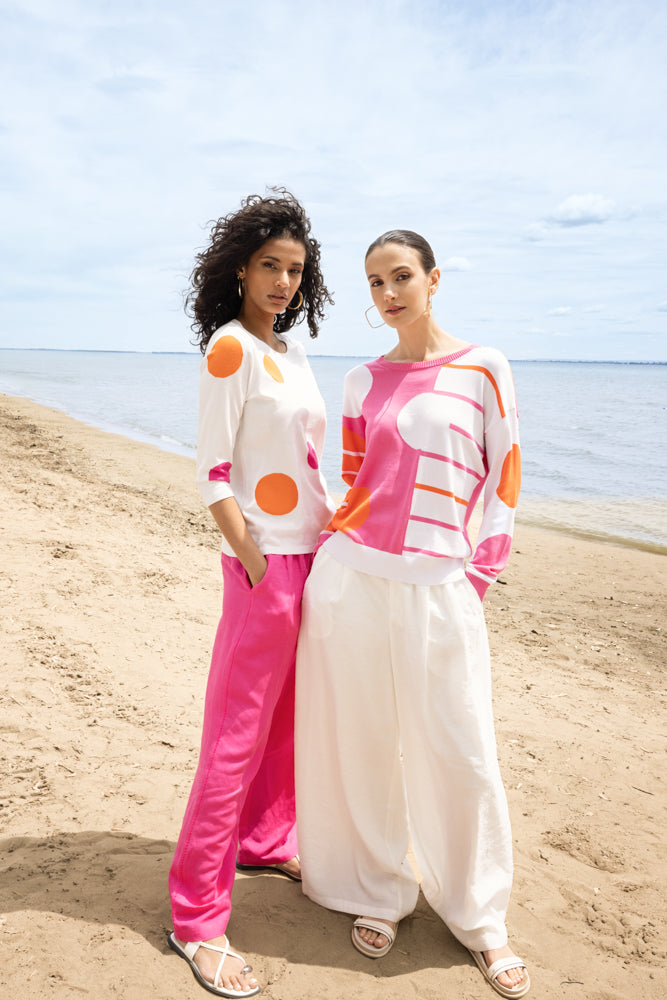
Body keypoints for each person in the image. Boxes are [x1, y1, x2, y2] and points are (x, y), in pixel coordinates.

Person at [295, 230, 530, 998]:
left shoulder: (483, 367)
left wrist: (477, 575)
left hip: (440, 587)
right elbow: (354, 479)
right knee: (361, 743)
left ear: (433, 278)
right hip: (352, 579)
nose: (388, 293)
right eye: (374, 282)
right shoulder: (361, 380)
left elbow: (504, 475)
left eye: (400, 276)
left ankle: (479, 919)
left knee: (459, 751)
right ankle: (376, 888)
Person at [168, 188, 334, 998]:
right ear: (240, 268)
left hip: (316, 560)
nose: (282, 282)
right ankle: (195, 917)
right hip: (265, 566)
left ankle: (264, 842)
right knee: (235, 738)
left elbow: (308, 462)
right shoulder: (230, 349)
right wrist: (255, 562)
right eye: (270, 265)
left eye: (294, 270)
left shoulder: (292, 354)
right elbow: (212, 474)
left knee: (285, 725)